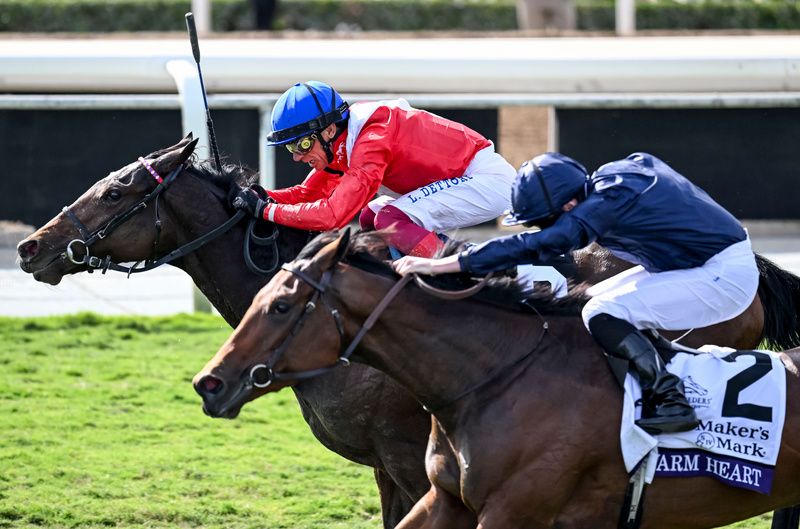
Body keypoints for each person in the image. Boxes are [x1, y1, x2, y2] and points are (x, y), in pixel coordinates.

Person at [393, 151, 759, 435]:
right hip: (698, 264)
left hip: (724, 276)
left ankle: (672, 402)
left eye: (545, 220)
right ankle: (633, 393)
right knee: (586, 307)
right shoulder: (613, 180)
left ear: (569, 205)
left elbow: (539, 244)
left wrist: (441, 264)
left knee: (603, 314)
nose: (543, 227)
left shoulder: (608, 200)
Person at [231, 80, 516, 258]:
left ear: (329, 130)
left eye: (303, 144)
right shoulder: (344, 140)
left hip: (484, 179)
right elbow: (309, 194)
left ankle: (463, 273)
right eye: (291, 148)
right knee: (372, 216)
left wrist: (266, 211)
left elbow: (333, 215)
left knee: (389, 216)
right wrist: (263, 196)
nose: (297, 157)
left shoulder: (372, 139)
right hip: (466, 177)